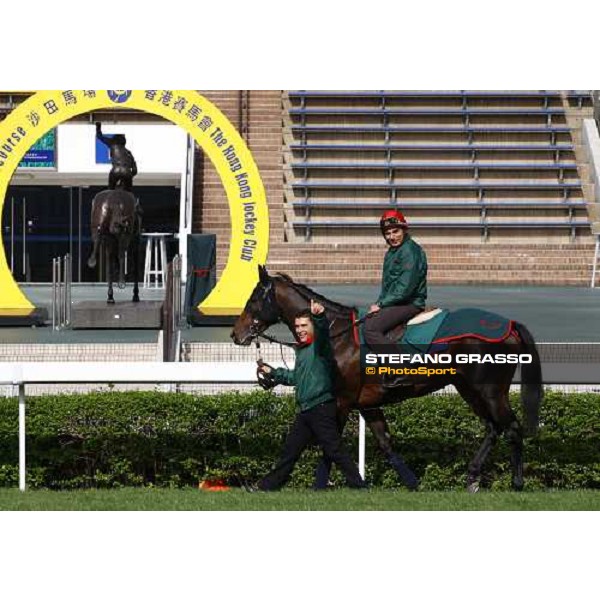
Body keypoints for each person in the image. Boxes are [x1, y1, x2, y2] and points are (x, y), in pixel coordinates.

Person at [255, 299, 367, 491]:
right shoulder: (303, 350)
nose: (299, 330)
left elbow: (323, 332)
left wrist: (319, 316)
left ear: (313, 325)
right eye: (297, 326)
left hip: (321, 409)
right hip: (305, 411)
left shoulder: (321, 347)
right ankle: (268, 486)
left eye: (304, 325)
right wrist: (273, 372)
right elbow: (297, 377)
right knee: (290, 452)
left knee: (334, 450)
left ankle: (360, 487)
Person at [364, 209, 428, 354]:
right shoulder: (394, 251)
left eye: (396, 231)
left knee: (370, 328)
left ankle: (398, 366)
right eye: (388, 233)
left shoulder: (409, 252)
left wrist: (380, 304)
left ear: (404, 230)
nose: (392, 237)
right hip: (397, 302)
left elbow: (404, 289)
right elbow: (389, 286)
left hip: (409, 303)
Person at [96, 122, 138, 191]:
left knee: (111, 189)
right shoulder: (129, 153)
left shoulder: (112, 144)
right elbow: (135, 171)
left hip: (115, 171)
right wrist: (124, 180)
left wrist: (98, 126)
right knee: (128, 192)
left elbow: (99, 136)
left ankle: (111, 193)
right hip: (127, 172)